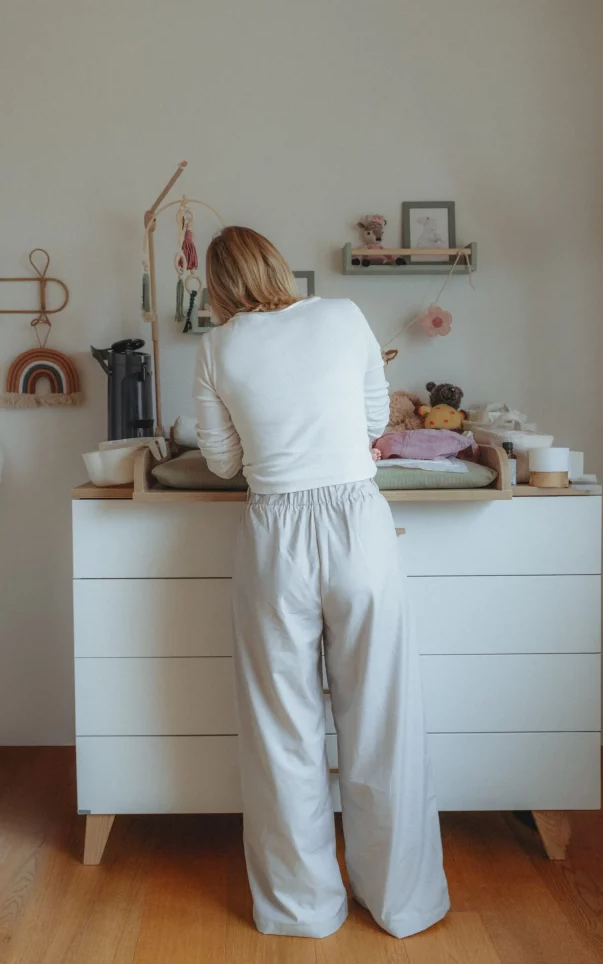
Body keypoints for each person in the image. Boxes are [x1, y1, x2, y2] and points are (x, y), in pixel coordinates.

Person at [193, 226, 449, 940]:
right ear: (276, 265)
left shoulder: (216, 347)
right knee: (382, 717)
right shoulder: (341, 315)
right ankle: (404, 902)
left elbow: (219, 462)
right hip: (356, 523)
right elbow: (372, 419)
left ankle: (302, 908)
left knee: (283, 728)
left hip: (276, 533)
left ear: (215, 286)